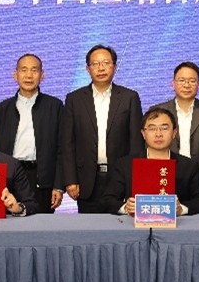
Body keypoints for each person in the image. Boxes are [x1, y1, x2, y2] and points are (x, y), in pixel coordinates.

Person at [60, 44, 143, 213]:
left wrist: (134, 180)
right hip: (86, 181)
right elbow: (67, 143)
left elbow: (136, 142)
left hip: (120, 177)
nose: (101, 68)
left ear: (114, 67)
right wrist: (70, 179)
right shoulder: (74, 99)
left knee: (121, 226)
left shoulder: (129, 97)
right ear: (88, 69)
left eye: (106, 63)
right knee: (89, 227)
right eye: (95, 64)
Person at [103, 107, 199, 216]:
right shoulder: (125, 164)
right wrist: (126, 207)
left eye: (164, 128)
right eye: (152, 129)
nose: (158, 134)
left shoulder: (188, 166)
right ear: (143, 133)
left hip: (177, 224)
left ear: (174, 133)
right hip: (135, 224)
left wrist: (181, 209)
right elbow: (107, 200)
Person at [0, 54, 64, 213]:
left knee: (42, 225)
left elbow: (62, 149)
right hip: (10, 177)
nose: (29, 75)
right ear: (15, 75)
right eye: (23, 70)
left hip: (43, 179)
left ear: (42, 75)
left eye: (34, 70)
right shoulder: (2, 109)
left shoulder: (55, 106)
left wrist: (59, 185)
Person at [156, 61, 199, 208]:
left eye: (192, 81)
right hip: (165, 177)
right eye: (181, 80)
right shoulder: (158, 111)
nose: (186, 85)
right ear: (173, 83)